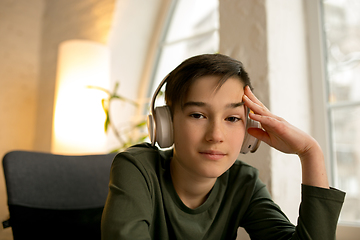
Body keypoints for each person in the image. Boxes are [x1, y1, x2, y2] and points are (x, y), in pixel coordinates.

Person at [101, 54, 345, 240]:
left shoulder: (243, 183)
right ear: (166, 124)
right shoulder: (137, 169)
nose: (216, 135)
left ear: (249, 128)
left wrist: (310, 153)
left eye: (232, 118)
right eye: (197, 115)